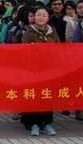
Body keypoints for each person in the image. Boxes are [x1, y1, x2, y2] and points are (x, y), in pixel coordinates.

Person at [21, 7, 59, 136]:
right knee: (34, 97)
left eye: (44, 15)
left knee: (48, 97)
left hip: (50, 70)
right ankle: (35, 124)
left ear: (48, 18)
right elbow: (24, 51)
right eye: (38, 15)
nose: (41, 17)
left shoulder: (52, 32)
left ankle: (48, 124)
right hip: (34, 71)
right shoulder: (29, 32)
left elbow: (59, 48)